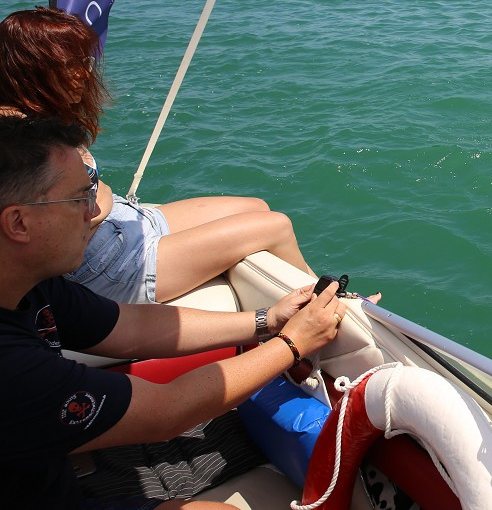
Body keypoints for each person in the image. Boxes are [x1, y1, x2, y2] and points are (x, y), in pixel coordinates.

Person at [0, 116, 380, 509]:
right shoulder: (12, 368)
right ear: (19, 223)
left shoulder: (28, 283)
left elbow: (128, 326)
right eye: (80, 197)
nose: (94, 211)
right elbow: (166, 412)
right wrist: (292, 344)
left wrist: (267, 320)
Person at [0, 7, 316, 303]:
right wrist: (102, 198)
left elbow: (90, 199)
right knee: (274, 226)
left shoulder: (37, 121)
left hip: (124, 224)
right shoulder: (23, 142)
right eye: (73, 65)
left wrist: (103, 199)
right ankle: (333, 310)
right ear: (36, 69)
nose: (85, 74)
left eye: (86, 62)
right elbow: (83, 212)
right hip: (106, 266)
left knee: (256, 207)